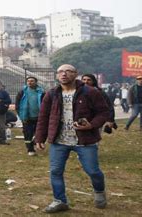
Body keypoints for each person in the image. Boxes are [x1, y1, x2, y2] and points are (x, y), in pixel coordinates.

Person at [35, 64, 110, 213]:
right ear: (57, 75)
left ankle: (99, 191)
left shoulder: (90, 92)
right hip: (59, 140)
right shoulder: (51, 94)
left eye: (68, 71)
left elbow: (104, 112)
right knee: (56, 171)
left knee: (93, 171)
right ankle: (60, 201)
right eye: (60, 72)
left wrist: (91, 125)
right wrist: (39, 137)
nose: (64, 74)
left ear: (75, 74)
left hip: (85, 140)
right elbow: (43, 117)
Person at [15, 77, 45, 156]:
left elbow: (45, 104)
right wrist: (21, 116)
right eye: (28, 81)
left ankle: (36, 143)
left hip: (39, 117)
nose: (30, 82)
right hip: (26, 117)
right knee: (28, 134)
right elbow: (17, 105)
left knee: (39, 133)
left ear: (36, 82)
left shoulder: (41, 92)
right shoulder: (22, 92)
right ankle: (30, 149)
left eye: (32, 81)